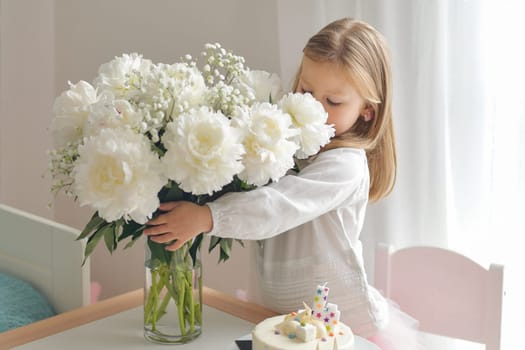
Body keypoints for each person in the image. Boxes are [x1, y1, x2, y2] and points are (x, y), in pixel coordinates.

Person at [145, 18, 421, 350]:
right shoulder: (287, 143)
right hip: (274, 319)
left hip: (337, 328)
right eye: (306, 91)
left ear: (367, 111)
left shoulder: (346, 165)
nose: (314, 108)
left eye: (333, 102)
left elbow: (279, 205)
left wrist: (209, 218)